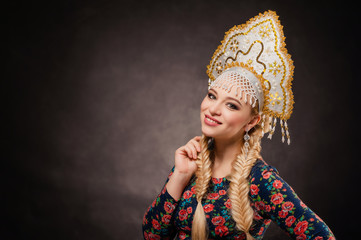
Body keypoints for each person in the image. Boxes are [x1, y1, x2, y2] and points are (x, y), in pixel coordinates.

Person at [142, 10, 335, 240]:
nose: (213, 109)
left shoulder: (260, 179)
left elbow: (320, 235)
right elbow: (151, 236)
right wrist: (180, 175)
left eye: (231, 105)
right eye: (212, 96)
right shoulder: (190, 162)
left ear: (252, 121)